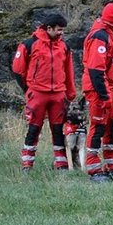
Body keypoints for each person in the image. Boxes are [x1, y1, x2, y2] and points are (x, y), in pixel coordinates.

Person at [11, 11, 76, 171]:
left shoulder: (64, 47)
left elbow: (69, 71)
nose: (62, 33)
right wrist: (29, 90)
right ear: (49, 28)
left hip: (58, 94)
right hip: (37, 93)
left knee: (57, 129)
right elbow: (17, 69)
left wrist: (70, 94)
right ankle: (27, 163)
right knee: (34, 128)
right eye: (59, 29)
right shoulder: (29, 44)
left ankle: (61, 164)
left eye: (63, 30)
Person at [81, 2, 113, 182]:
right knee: (98, 127)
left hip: (112, 90)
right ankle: (94, 170)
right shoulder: (99, 37)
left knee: (112, 128)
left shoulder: (112, 39)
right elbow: (95, 69)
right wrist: (103, 95)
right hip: (99, 90)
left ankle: (111, 167)